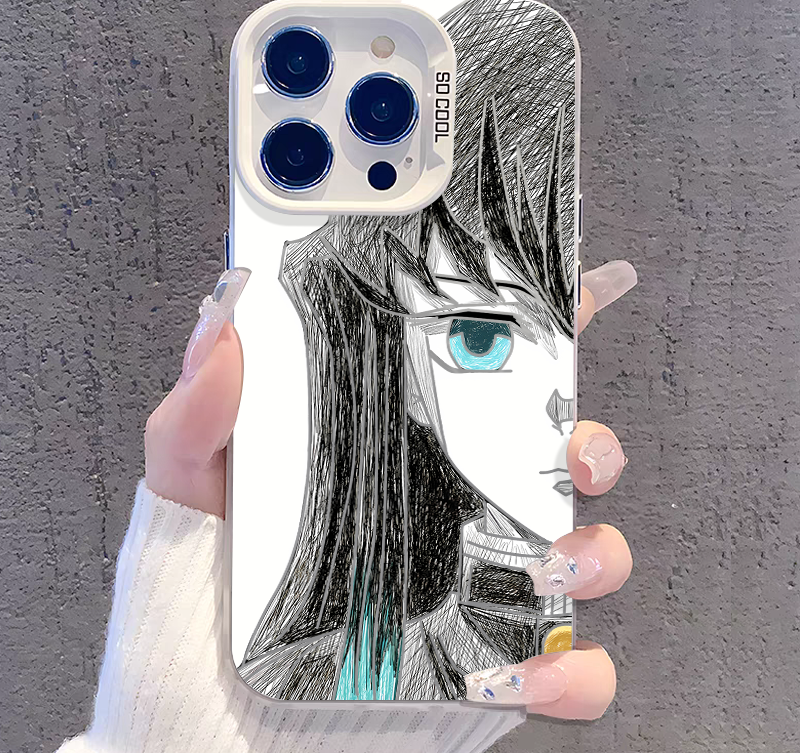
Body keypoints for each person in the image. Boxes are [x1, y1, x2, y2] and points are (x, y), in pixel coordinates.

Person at [57, 256, 636, 753]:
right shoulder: (323, 666)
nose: (557, 401)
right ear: (386, 369)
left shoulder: (473, 635)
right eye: (480, 340)